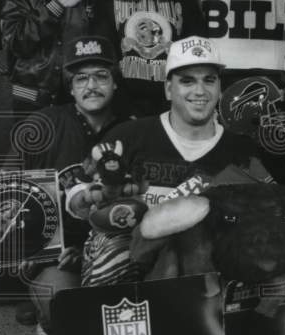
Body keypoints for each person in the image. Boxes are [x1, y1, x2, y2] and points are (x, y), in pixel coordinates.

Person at [67, 37, 274, 278]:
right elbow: (77, 190)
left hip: (209, 269)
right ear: (168, 89)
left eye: (209, 80)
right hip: (134, 265)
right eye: (187, 81)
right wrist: (84, 198)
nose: (200, 91)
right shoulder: (129, 136)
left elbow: (269, 209)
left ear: (219, 88)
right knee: (116, 249)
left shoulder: (241, 149)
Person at [2, 35, 127, 335]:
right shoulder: (44, 124)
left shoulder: (135, 129)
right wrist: (26, 244)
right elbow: (4, 191)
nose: (91, 86)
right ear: (70, 88)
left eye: (101, 76)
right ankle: (45, 307)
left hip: (117, 253)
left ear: (115, 83)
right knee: (64, 306)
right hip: (55, 257)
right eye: (81, 78)